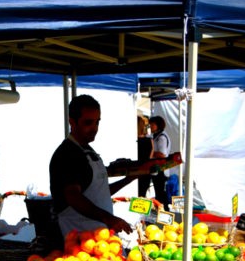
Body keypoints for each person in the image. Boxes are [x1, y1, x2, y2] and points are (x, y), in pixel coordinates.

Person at [49, 94, 137, 237]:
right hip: (79, 239)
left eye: (97, 122)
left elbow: (99, 194)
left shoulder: (87, 150)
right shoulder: (67, 154)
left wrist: (129, 179)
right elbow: (73, 196)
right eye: (88, 123)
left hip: (98, 237)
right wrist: (108, 218)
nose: (94, 128)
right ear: (72, 122)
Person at [148, 115, 171, 202]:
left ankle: (164, 211)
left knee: (160, 194)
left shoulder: (161, 137)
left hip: (161, 170)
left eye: (152, 125)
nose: (150, 127)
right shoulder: (155, 136)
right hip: (158, 169)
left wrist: (150, 153)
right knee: (159, 193)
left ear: (158, 125)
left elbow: (162, 154)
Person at [135, 115, 152, 198]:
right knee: (142, 195)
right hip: (146, 170)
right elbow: (150, 156)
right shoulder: (149, 140)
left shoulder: (135, 140)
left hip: (135, 170)